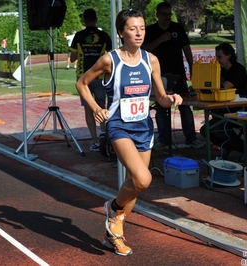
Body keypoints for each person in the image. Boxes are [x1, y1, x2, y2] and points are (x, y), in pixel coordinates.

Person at [75, 9, 183, 256]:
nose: (139, 33)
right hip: (118, 126)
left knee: (135, 183)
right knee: (143, 179)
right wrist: (95, 108)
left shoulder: (151, 60)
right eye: (133, 28)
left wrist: (172, 98)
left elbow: (160, 98)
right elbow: (81, 83)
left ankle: (113, 233)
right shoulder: (109, 60)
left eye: (142, 28)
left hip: (144, 126)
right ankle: (114, 209)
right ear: (121, 32)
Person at [142, 2, 204, 150]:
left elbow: (186, 47)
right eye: (163, 14)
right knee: (162, 108)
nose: (167, 17)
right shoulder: (150, 31)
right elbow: (143, 50)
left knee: (185, 106)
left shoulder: (177, 28)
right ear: (157, 15)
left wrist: (192, 66)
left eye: (169, 14)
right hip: (159, 75)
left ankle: (191, 139)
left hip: (178, 74)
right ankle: (163, 140)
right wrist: (160, 40)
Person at [70, 9, 112, 152]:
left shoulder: (79, 36)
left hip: (84, 77)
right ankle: (104, 136)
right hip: (100, 75)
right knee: (102, 106)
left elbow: (72, 58)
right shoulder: (104, 35)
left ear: (84, 20)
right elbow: (111, 55)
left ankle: (94, 140)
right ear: (96, 19)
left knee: (89, 108)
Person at [199, 42, 247, 157]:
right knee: (205, 130)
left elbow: (223, 87)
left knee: (216, 127)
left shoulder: (237, 69)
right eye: (216, 56)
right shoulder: (220, 70)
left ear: (228, 56)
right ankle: (231, 147)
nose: (217, 59)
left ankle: (245, 148)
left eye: (219, 57)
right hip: (224, 108)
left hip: (238, 109)